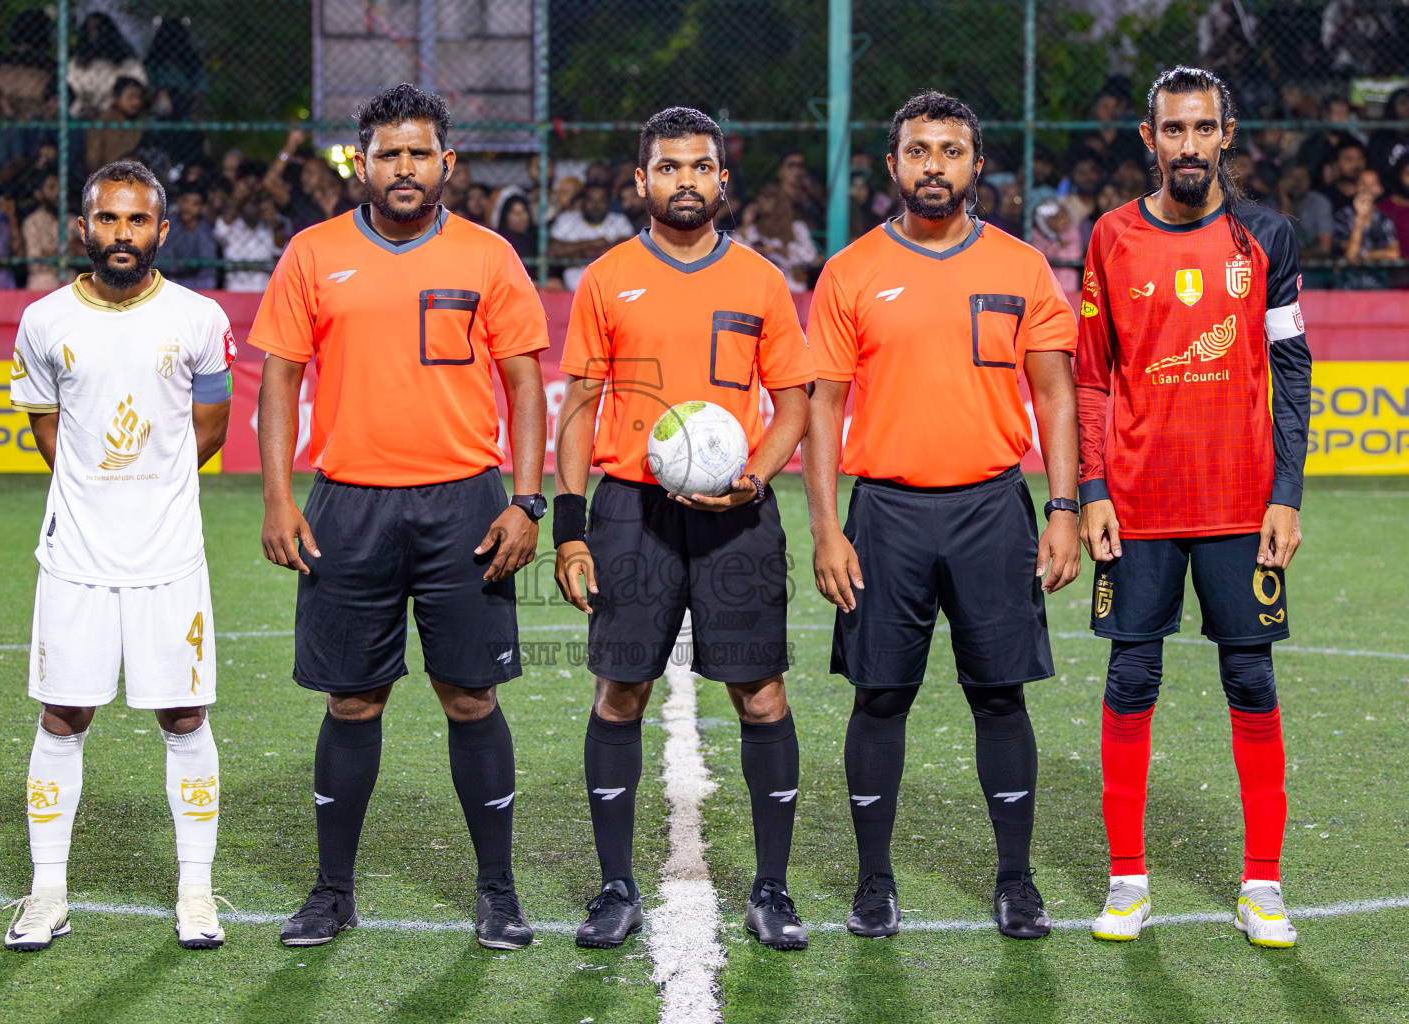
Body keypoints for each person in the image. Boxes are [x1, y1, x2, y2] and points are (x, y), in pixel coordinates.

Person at [250, 83, 549, 952]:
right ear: (364, 164)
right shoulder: (313, 253)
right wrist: (277, 496)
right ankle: (332, 892)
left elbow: (526, 385)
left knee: (470, 698)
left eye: (420, 154)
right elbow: (278, 379)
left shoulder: (491, 257)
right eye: (389, 154)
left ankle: (498, 890)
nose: (405, 168)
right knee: (352, 702)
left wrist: (526, 502)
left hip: (465, 503)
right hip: (348, 506)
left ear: (446, 163)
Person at [803, 89, 1080, 943]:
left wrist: (1063, 506)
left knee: (1000, 697)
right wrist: (825, 527)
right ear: (892, 166)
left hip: (993, 507)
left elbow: (1057, 395)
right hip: (885, 511)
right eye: (918, 151)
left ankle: (1016, 882)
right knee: (881, 696)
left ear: (975, 163)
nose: (934, 166)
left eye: (950, 151)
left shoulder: (1021, 268)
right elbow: (820, 407)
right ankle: (874, 883)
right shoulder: (850, 271)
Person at [555, 103, 814, 952]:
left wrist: (754, 479)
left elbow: (795, 401)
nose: (686, 181)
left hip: (739, 517)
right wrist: (571, 525)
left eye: (701, 166)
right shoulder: (605, 279)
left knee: (761, 693)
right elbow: (580, 407)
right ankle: (615, 888)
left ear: (722, 180)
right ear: (642, 181)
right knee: (619, 692)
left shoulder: (760, 281)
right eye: (669, 167)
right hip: (632, 511)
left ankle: (771, 890)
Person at [1076, 67, 1311, 949]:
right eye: (1171, 130)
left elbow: (1291, 372)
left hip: (1240, 506)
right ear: (1150, 138)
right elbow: (1093, 377)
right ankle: (1128, 881)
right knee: (1131, 680)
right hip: (1136, 507)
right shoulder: (1110, 238)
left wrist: (1285, 494)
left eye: (1202, 129)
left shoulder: (1267, 238)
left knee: (1251, 680)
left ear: (1226, 135)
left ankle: (1262, 884)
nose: (1186, 145)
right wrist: (1094, 486)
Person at [3, 159, 237, 952]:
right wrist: (99, 492)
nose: (122, 234)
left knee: (184, 714)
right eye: (107, 219)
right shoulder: (43, 322)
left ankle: (197, 892)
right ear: (84, 227)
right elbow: (48, 431)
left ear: (162, 230)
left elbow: (212, 427)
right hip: (76, 558)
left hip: (170, 557)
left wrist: (153, 486)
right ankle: (47, 894)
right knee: (64, 716)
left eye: (138, 221)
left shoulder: (200, 317)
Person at [212, 161, 287, 292]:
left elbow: (280, 249)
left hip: (264, 292)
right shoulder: (232, 224)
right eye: (247, 201)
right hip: (234, 292)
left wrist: (274, 222)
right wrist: (238, 200)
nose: (251, 206)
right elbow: (220, 232)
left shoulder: (271, 224)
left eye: (255, 201)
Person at [548, 181, 635, 290]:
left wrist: (576, 253)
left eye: (601, 200)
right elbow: (553, 251)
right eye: (591, 200)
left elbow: (625, 253)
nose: (596, 205)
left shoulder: (619, 221)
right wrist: (593, 244)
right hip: (571, 288)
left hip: (610, 288)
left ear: (608, 202)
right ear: (583, 201)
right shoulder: (566, 219)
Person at [739, 182, 821, 292]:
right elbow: (739, 253)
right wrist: (746, 223)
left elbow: (810, 256)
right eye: (761, 197)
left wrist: (778, 250)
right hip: (761, 288)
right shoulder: (753, 230)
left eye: (769, 197)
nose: (763, 201)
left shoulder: (797, 228)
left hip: (793, 289)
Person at [67, 13, 146, 119]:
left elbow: (137, 91)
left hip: (118, 115)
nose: (93, 34)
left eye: (97, 28)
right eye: (90, 29)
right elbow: (73, 92)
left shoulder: (129, 65)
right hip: (83, 115)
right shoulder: (76, 65)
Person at [160, 185, 219, 290]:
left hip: (196, 284)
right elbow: (161, 259)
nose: (188, 207)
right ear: (178, 201)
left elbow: (208, 269)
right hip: (169, 281)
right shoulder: (170, 224)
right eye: (185, 201)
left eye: (195, 204)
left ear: (201, 207)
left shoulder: (205, 231)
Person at [84, 77, 146, 174]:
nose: (136, 102)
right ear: (117, 98)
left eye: (139, 98)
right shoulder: (107, 122)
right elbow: (94, 159)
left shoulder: (138, 120)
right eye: (131, 97)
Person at [22, 173, 62, 291]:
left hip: (69, 284)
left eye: (61, 187)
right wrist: (66, 251)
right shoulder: (31, 222)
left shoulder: (73, 221)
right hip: (42, 285)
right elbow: (33, 260)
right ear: (38, 194)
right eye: (51, 187)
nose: (58, 193)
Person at [495, 194, 536, 261]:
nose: (520, 217)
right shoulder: (500, 240)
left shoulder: (536, 240)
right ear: (506, 216)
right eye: (515, 212)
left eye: (523, 211)